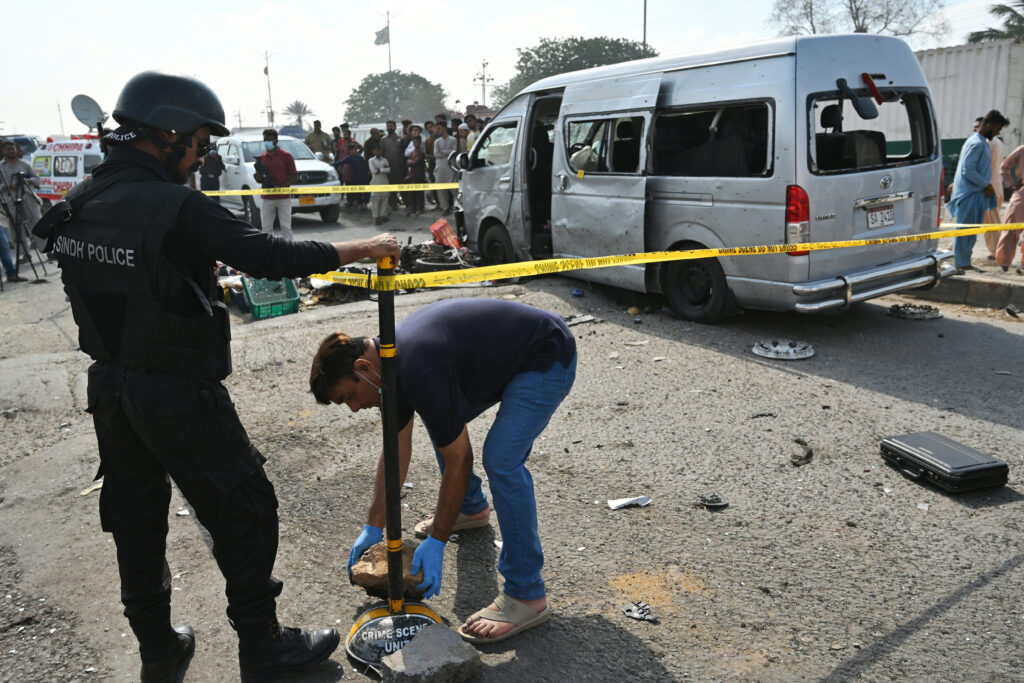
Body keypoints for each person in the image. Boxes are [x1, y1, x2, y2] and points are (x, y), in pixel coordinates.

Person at [32, 70, 401, 682]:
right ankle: (264, 647)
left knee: (136, 521)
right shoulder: (174, 205)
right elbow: (268, 256)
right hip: (177, 391)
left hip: (113, 392)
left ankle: (158, 647)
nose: (202, 156)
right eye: (200, 143)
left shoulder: (86, 198)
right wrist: (364, 248)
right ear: (168, 134)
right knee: (246, 509)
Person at [308, 298, 577, 644]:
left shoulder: (417, 366)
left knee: (501, 459)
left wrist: (437, 542)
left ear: (363, 367)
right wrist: (373, 526)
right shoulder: (387, 366)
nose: (356, 408)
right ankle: (469, 508)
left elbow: (460, 460)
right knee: (442, 420)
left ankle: (527, 594)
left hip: (546, 355)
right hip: (502, 357)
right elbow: (396, 451)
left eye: (350, 396)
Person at [948, 110, 1009, 274]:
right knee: (965, 232)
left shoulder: (980, 142)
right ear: (989, 126)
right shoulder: (977, 143)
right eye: (997, 129)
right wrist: (986, 185)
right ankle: (960, 263)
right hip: (971, 194)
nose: (997, 133)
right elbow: (968, 170)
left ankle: (963, 262)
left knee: (970, 232)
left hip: (976, 193)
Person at [0, 138, 42, 260]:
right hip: (11, 200)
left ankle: (46, 249)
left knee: (36, 221)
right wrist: (6, 186)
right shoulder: (1, 167)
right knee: (16, 228)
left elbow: (37, 180)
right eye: (8, 149)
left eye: (12, 148)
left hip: (27, 198)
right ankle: (25, 254)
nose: (11, 151)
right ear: (3, 151)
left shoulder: (24, 165)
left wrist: (26, 181)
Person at [254, 129, 297, 239]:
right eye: (265, 140)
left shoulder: (286, 156)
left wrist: (281, 187)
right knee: (266, 229)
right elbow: (260, 179)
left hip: (284, 197)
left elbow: (294, 177)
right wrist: (257, 177)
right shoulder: (262, 158)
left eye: (269, 140)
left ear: (276, 141)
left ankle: (289, 252)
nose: (266, 142)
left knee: (286, 227)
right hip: (267, 197)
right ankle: (268, 253)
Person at [997, 143, 1024, 274]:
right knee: (1010, 227)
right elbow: (1004, 167)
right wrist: (1010, 184)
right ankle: (1003, 264)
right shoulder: (1022, 150)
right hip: (1022, 195)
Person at [433, 123, 458, 215]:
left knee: (454, 188)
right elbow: (436, 154)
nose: (437, 131)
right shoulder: (437, 141)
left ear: (444, 128)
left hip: (450, 166)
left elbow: (454, 151)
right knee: (440, 189)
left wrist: (443, 151)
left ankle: (457, 206)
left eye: (439, 128)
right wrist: (447, 152)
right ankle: (445, 207)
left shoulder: (453, 139)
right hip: (440, 167)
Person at [335, 143, 370, 208]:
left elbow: (365, 165)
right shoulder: (349, 158)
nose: (355, 151)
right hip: (357, 176)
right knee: (358, 191)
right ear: (350, 150)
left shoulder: (359, 157)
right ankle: (360, 203)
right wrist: (331, 164)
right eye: (353, 150)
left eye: (356, 150)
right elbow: (340, 162)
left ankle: (365, 203)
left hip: (364, 176)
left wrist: (367, 173)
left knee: (366, 191)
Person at [380, 120, 405, 209]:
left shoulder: (400, 138)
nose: (390, 128)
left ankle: (407, 203)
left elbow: (403, 153)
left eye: (391, 126)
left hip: (399, 167)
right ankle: (393, 204)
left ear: (395, 127)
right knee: (391, 187)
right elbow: (381, 154)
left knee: (402, 186)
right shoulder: (383, 140)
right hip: (388, 167)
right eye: (388, 126)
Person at [403, 135, 426, 215]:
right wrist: (411, 162)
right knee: (411, 193)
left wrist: (411, 162)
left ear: (420, 142)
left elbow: (415, 162)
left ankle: (420, 209)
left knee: (419, 193)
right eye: (414, 142)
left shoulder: (421, 152)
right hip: (412, 174)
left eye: (416, 142)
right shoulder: (412, 152)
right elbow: (408, 162)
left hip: (419, 174)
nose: (415, 143)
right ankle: (413, 208)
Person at [368, 145, 391, 225]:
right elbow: (373, 171)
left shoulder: (384, 160)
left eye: (378, 150)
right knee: (376, 200)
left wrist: (380, 169)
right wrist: (383, 169)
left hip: (384, 181)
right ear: (373, 151)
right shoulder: (371, 160)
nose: (377, 152)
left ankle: (383, 216)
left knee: (385, 199)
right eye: (375, 150)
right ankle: (376, 217)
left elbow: (388, 170)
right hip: (375, 181)